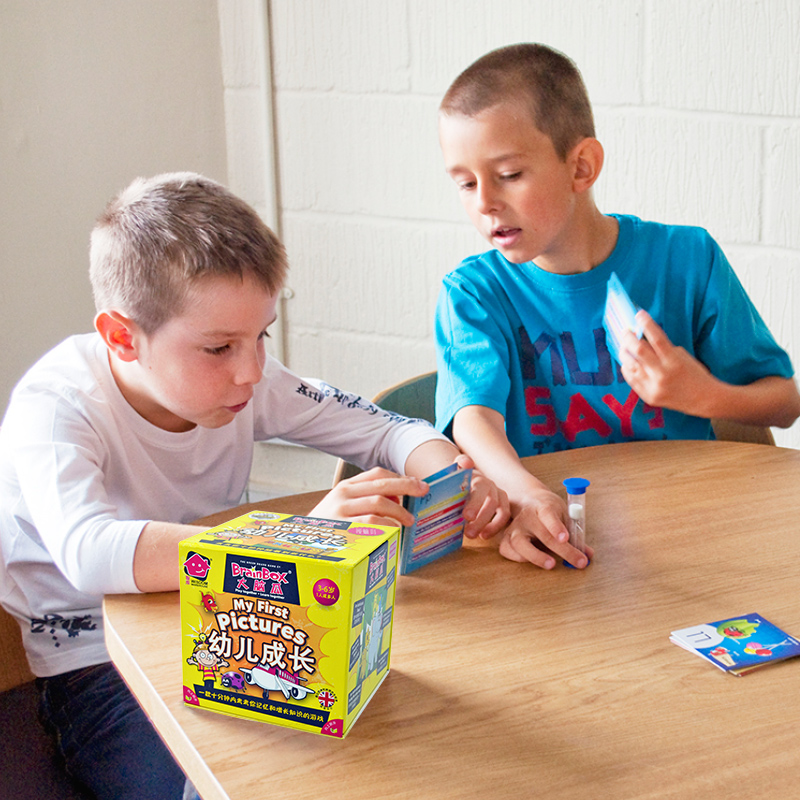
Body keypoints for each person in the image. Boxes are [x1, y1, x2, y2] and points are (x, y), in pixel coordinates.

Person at [0, 172, 508, 800]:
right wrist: (294, 545)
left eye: (260, 335)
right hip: (99, 664)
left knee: (388, 752)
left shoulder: (244, 379)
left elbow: (394, 430)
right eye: (218, 348)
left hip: (239, 619)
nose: (251, 371)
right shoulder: (56, 407)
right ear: (123, 337)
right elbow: (90, 552)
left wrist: (454, 475)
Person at [434, 43, 800, 571]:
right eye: (465, 184)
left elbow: (785, 402)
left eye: (509, 174)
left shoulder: (688, 259)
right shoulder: (472, 292)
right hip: (553, 543)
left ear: (582, 166)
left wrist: (704, 394)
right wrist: (529, 496)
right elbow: (473, 420)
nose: (484, 202)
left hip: (692, 538)